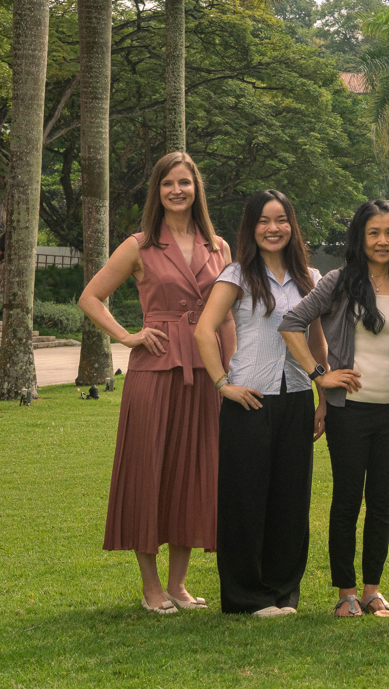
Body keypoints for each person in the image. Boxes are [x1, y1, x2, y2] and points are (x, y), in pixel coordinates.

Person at [79, 151, 233, 614]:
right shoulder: (139, 245)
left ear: (196, 188)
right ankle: (151, 588)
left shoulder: (218, 247)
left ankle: (179, 585)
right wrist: (128, 335)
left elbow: (226, 318)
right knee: (148, 472)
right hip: (155, 370)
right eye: (168, 183)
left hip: (205, 372)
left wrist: (232, 371)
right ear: (157, 191)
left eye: (184, 182)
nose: (176, 190)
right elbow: (90, 297)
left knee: (192, 474)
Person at [279, 200, 389, 619]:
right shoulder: (339, 282)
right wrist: (320, 375)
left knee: (382, 503)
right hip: (349, 412)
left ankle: (373, 592)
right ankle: (346, 594)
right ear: (360, 237)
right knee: (346, 501)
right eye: (374, 232)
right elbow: (291, 323)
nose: (382, 241)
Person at [195, 190, 326, 617]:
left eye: (281, 219)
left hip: (297, 398)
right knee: (245, 501)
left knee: (291, 501)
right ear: (251, 228)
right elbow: (203, 330)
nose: (274, 228)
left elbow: (318, 342)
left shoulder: (310, 277)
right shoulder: (237, 275)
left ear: (292, 225)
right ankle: (246, 596)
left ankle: (282, 591)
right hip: (249, 399)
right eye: (264, 221)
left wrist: (323, 398)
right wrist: (223, 384)